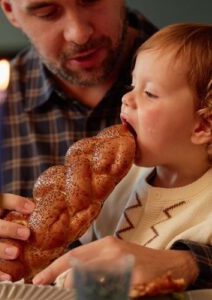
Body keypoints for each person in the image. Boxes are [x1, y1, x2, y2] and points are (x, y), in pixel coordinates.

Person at [0, 0, 210, 290]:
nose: (79, 33)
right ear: (9, 10)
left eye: (91, 0)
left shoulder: (198, 73)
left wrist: (188, 263)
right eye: (46, 11)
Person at [32, 22, 212, 289]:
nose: (127, 98)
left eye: (149, 93)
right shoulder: (119, 180)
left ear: (202, 126)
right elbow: (78, 255)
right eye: (132, 84)